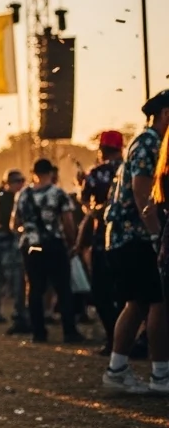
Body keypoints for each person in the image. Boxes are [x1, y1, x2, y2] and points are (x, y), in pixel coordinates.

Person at [105, 90, 169, 392]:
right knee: (156, 302)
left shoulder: (153, 143)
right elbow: (143, 194)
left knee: (141, 303)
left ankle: (119, 369)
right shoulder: (148, 144)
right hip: (135, 235)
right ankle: (160, 375)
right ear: (165, 113)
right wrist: (157, 236)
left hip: (133, 235)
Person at [16, 159, 85, 345]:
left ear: (33, 172)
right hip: (54, 244)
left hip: (31, 245)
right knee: (63, 288)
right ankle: (69, 331)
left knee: (35, 289)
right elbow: (68, 221)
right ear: (51, 172)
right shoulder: (58, 193)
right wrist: (73, 243)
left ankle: (38, 332)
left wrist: (29, 231)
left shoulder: (23, 195)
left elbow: (14, 223)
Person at [79, 130, 125, 352]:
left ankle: (113, 339)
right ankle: (133, 339)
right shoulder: (130, 168)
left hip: (102, 240)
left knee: (102, 293)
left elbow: (85, 203)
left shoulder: (95, 173)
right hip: (131, 239)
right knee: (130, 294)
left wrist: (97, 211)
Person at [0, 171, 31, 333]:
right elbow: (13, 222)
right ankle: (19, 315)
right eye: (18, 181)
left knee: (1, 280)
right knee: (17, 278)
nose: (20, 185)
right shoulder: (10, 198)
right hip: (7, 242)